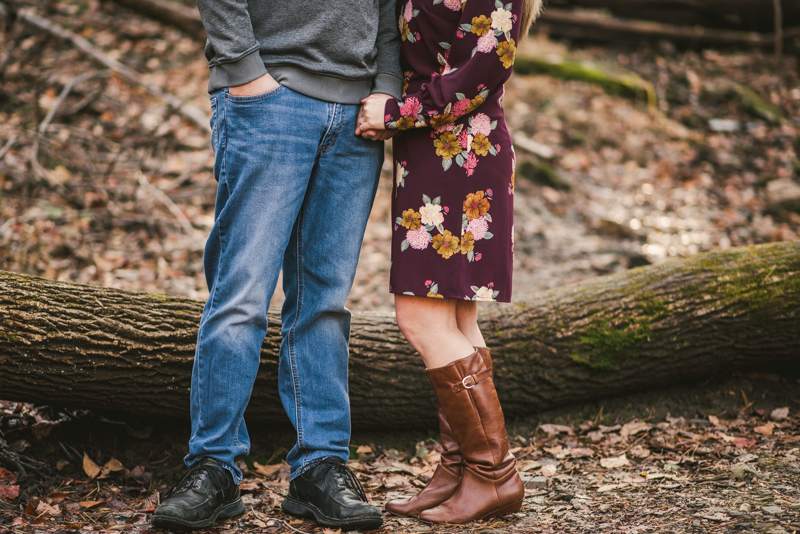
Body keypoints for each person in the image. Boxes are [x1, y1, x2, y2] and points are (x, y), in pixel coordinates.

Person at [151, 0, 402, 531]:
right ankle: (213, 467)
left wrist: (386, 83)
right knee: (241, 295)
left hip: (356, 117)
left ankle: (321, 465)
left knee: (324, 302)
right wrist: (244, 69)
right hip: (269, 99)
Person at [356, 0, 543, 524]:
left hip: (463, 158)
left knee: (419, 319)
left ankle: (494, 474)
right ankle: (459, 467)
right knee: (458, 320)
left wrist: (394, 114)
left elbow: (481, 72)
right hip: (433, 155)